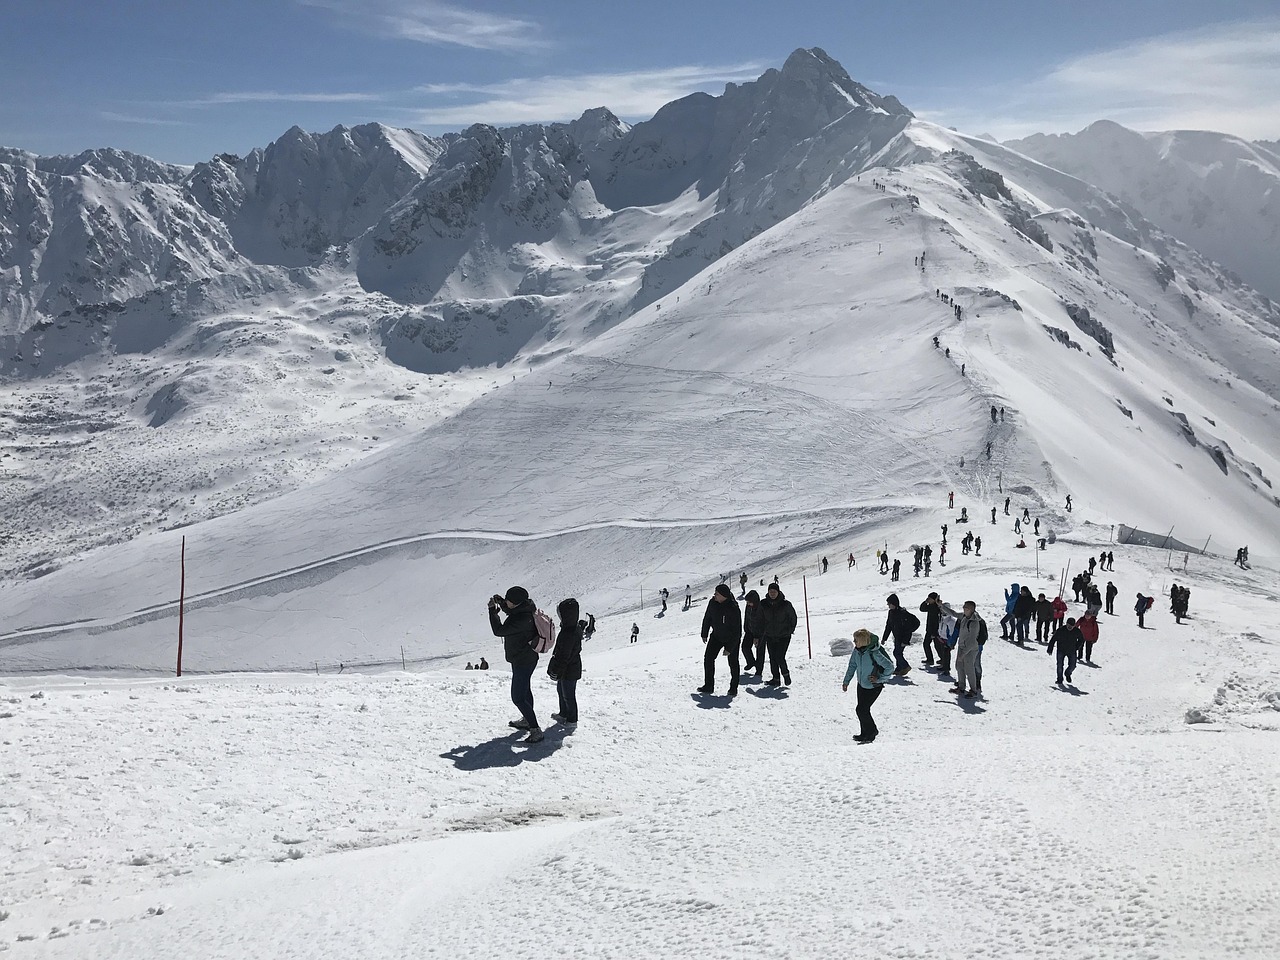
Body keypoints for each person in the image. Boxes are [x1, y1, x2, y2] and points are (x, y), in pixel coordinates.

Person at [488, 586, 542, 742]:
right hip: (525, 658)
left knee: (518, 697)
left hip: (523, 660)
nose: (507, 602)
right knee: (525, 691)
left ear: (516, 602)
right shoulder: (525, 609)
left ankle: (535, 729)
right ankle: (527, 720)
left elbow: (499, 631)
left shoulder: (522, 619)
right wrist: (502, 603)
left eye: (509, 600)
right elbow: (513, 611)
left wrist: (492, 612)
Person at [842, 629, 896, 743]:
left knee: (862, 710)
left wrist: (880, 679)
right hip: (861, 685)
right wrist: (846, 681)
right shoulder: (857, 651)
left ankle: (872, 732)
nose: (854, 642)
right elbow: (852, 665)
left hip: (874, 686)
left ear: (862, 641)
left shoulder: (874, 653)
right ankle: (864, 733)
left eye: (856, 640)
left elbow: (890, 667)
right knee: (862, 710)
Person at [698, 584, 742, 695]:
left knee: (733, 662)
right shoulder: (712, 603)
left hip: (731, 638)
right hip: (717, 636)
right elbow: (707, 618)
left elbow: (737, 631)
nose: (714, 595)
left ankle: (733, 688)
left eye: (717, 594)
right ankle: (708, 686)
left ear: (724, 595)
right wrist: (704, 633)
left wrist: (729, 648)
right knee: (708, 658)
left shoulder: (733, 607)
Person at [548, 598, 583, 725]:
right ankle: (563, 714)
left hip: (570, 669)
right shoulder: (570, 627)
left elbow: (564, 656)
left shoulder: (569, 632)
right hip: (567, 668)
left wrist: (556, 670)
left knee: (568, 695)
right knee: (561, 691)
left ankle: (572, 720)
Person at [759, 582, 799, 687]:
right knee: (772, 658)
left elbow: (793, 618)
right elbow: (759, 618)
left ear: (778, 592)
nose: (772, 593)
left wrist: (790, 630)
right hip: (770, 635)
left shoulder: (786, 604)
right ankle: (776, 679)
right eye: (770, 591)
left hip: (783, 636)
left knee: (779, 657)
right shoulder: (763, 604)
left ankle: (786, 674)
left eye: (774, 591)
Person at [947, 600, 986, 698]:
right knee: (959, 667)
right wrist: (941, 606)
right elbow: (953, 613)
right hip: (962, 647)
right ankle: (961, 687)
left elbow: (972, 642)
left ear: (972, 609)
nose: (964, 608)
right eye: (964, 607)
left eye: (966, 607)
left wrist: (963, 654)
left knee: (969, 669)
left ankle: (973, 690)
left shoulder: (974, 622)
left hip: (970, 649)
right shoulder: (964, 616)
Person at [883, 593, 921, 676]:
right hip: (897, 637)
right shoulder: (891, 612)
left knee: (896, 653)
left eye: (889, 604)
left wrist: (906, 639)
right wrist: (884, 638)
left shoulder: (903, 613)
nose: (888, 605)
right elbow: (888, 626)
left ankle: (905, 666)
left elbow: (913, 625)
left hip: (903, 637)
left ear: (894, 603)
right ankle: (899, 669)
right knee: (898, 653)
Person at [1048, 617, 1083, 686]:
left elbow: (1081, 639)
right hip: (1061, 650)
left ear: (1074, 625)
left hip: (1072, 650)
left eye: (1072, 626)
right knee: (1059, 665)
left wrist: (1077, 647)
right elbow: (1053, 639)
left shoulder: (1077, 631)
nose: (1070, 627)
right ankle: (1059, 679)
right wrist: (1050, 649)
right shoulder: (1061, 630)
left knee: (1073, 665)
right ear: (1066, 624)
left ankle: (1068, 673)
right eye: (1069, 625)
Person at [741, 589, 764, 676]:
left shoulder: (760, 608)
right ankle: (751, 662)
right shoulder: (748, 607)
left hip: (760, 633)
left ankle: (759, 670)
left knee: (760, 652)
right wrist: (746, 628)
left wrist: (757, 637)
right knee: (745, 647)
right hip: (749, 631)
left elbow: (761, 623)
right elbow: (746, 618)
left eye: (749, 602)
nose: (748, 604)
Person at [919, 592, 944, 669]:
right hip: (929, 629)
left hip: (936, 630)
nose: (928, 600)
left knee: (938, 646)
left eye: (930, 599)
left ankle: (943, 660)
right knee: (926, 644)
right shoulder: (930, 606)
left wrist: (934, 633)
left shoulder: (938, 608)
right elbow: (922, 609)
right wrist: (925, 602)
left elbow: (937, 621)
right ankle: (930, 659)